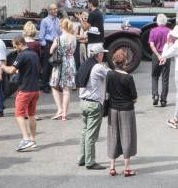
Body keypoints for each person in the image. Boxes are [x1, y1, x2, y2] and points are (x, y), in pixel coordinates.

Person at [0, 36, 40, 152]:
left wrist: (3, 66)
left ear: (19, 44)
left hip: (25, 89)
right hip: (35, 89)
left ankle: (26, 139)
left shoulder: (22, 55)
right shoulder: (34, 54)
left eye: (15, 46)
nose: (14, 48)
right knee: (31, 115)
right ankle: (32, 140)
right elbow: (30, 69)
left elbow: (11, 70)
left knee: (19, 114)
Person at [75, 42, 109, 170]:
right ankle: (90, 161)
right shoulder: (98, 67)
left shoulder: (85, 65)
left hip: (83, 102)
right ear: (99, 55)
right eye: (102, 54)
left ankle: (82, 158)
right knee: (91, 135)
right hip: (94, 104)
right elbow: (110, 75)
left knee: (84, 132)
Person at [105, 48, 138, 177]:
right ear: (125, 62)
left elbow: (107, 92)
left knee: (113, 136)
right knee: (127, 137)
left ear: (114, 61)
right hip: (126, 109)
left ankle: (112, 167)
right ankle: (127, 168)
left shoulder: (109, 74)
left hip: (113, 109)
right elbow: (134, 97)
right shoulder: (128, 77)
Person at [49, 17, 78, 120]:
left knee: (54, 85)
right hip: (70, 62)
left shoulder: (59, 38)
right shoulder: (74, 38)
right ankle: (65, 114)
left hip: (60, 63)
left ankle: (60, 109)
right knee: (66, 90)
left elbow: (51, 51)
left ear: (61, 26)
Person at [148, 14, 172, 106]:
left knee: (155, 76)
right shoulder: (169, 31)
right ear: (165, 21)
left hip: (156, 56)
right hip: (166, 56)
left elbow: (151, 45)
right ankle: (163, 99)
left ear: (157, 22)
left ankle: (155, 95)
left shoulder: (153, 31)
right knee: (165, 78)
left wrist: (158, 56)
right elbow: (171, 45)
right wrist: (164, 56)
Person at [39, 4, 61, 92]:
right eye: (54, 9)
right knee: (47, 65)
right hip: (48, 44)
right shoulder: (45, 21)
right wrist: (46, 46)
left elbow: (59, 32)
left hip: (57, 43)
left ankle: (55, 83)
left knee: (57, 64)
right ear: (50, 11)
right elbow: (41, 36)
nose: (56, 10)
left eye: (56, 8)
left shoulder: (58, 20)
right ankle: (45, 85)